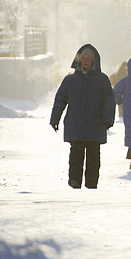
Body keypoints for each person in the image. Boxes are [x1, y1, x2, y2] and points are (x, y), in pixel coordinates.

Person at [50, 44, 116, 189]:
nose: (85, 61)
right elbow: (61, 99)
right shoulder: (70, 80)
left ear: (94, 61)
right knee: (75, 157)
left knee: (93, 158)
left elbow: (109, 101)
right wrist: (55, 119)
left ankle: (91, 185)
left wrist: (108, 120)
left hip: (96, 125)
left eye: (88, 59)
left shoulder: (102, 80)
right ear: (78, 60)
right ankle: (75, 183)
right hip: (76, 125)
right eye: (83, 58)